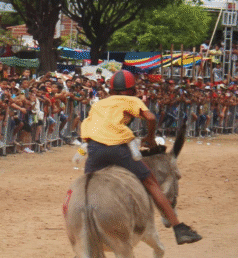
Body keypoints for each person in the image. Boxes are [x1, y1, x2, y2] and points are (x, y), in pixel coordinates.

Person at [80, 70, 202, 245]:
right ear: (131, 89)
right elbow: (151, 117)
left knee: (86, 188)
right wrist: (150, 138)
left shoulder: (99, 104)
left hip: (94, 148)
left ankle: (85, 240)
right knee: (151, 182)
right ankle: (179, 228)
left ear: (111, 89)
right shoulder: (131, 100)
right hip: (117, 147)